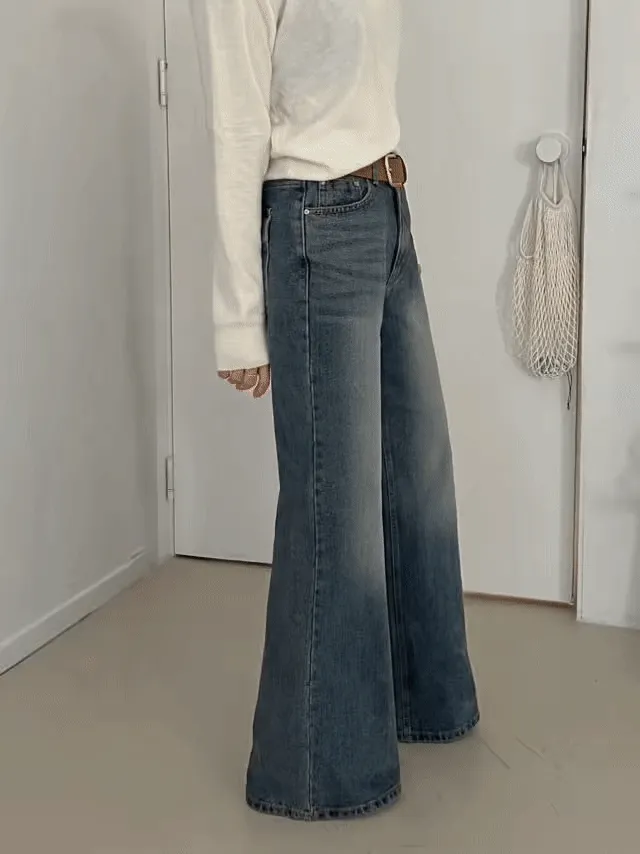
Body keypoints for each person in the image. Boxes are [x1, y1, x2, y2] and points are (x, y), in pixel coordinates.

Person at [197, 0, 479, 822]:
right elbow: (235, 125)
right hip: (315, 224)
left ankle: (422, 699)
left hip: (387, 211)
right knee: (336, 512)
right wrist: (238, 318)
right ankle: (318, 768)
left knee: (418, 480)